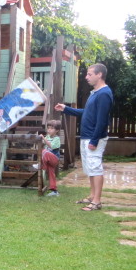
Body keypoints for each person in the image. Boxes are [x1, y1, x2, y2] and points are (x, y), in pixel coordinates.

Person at [55, 63, 113, 211]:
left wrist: (94, 140)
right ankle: (92, 196)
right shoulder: (95, 93)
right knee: (89, 168)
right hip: (87, 137)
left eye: (90, 74)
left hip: (95, 138)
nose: (86, 77)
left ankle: (97, 202)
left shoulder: (104, 94)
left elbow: (102, 121)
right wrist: (66, 109)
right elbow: (86, 113)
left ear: (99, 75)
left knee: (95, 168)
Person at [33, 120, 62, 196]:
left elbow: (51, 146)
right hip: (48, 160)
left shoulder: (57, 139)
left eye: (51, 128)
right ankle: (54, 191)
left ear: (57, 130)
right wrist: (39, 139)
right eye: (48, 128)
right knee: (51, 174)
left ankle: (42, 166)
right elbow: (43, 143)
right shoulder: (47, 137)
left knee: (44, 151)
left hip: (54, 159)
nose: (49, 130)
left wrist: (44, 139)